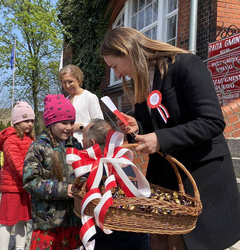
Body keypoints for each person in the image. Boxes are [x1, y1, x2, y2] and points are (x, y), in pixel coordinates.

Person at [100, 27, 240, 250]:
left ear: (126, 51)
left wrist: (161, 139)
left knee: (184, 244)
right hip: (167, 178)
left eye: (115, 66)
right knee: (158, 240)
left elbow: (212, 121)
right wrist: (139, 125)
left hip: (200, 176)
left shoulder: (186, 65)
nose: (117, 75)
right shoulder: (143, 80)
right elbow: (159, 123)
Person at [23, 94, 83, 250]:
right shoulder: (38, 147)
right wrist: (63, 189)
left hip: (73, 220)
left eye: (71, 122)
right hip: (49, 222)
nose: (69, 127)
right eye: (64, 123)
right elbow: (30, 182)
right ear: (51, 122)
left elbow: (85, 171)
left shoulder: (76, 145)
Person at [82, 119, 149, 250]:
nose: (81, 141)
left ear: (92, 143)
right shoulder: (125, 161)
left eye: (83, 137)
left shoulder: (94, 170)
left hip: (111, 240)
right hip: (138, 237)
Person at [0, 101, 35, 250]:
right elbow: (17, 162)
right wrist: (32, 176)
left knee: (23, 220)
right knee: (7, 222)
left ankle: (20, 247)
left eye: (32, 120)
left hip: (25, 187)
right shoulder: (10, 140)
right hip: (12, 188)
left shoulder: (30, 139)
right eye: (26, 120)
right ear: (17, 122)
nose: (30, 124)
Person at [59, 64, 104, 144]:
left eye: (70, 81)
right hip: (66, 145)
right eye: (64, 82)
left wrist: (80, 127)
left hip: (84, 144)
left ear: (78, 80)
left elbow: (99, 124)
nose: (67, 86)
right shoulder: (64, 101)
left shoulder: (90, 97)